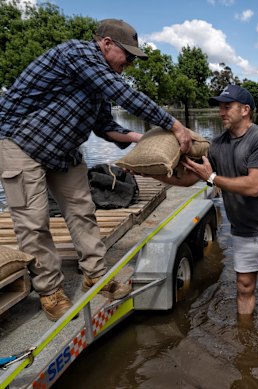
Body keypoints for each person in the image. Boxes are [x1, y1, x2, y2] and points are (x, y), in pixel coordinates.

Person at [0, 19, 193, 321]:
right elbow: (123, 94)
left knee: (83, 210)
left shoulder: (100, 80)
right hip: (22, 144)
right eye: (127, 56)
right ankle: (50, 291)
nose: (129, 64)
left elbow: (104, 125)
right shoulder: (77, 54)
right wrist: (174, 125)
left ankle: (96, 275)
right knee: (34, 222)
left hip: (63, 151)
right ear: (105, 44)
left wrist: (138, 138)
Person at [156, 85, 258, 328]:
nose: (221, 112)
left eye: (227, 106)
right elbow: (188, 179)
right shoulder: (216, 145)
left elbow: (254, 186)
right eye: (220, 107)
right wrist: (155, 175)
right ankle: (245, 336)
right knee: (244, 288)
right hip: (243, 230)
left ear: (245, 110)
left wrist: (212, 178)